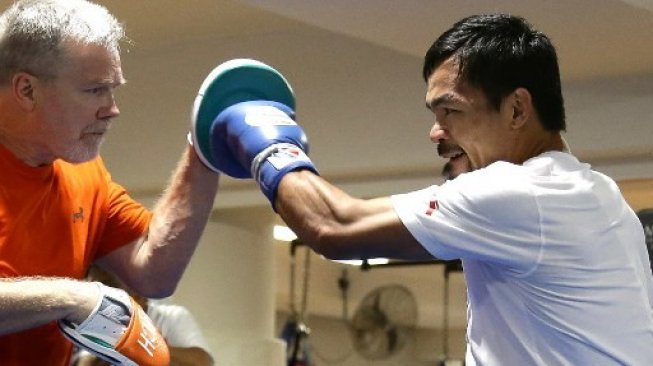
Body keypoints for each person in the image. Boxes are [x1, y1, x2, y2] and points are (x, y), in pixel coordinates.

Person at [202, 14, 653, 365]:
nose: (436, 133)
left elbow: (331, 225)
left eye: (450, 111)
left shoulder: (519, 192)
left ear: (517, 109)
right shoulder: (601, 194)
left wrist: (267, 144)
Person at [0, 0, 219, 364]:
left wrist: (206, 152)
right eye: (94, 91)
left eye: (112, 89)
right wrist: (76, 298)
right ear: (26, 90)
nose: (112, 108)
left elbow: (154, 272)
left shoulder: (84, 172)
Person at [72, 266, 215, 366]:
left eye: (110, 287)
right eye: (96, 291)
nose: (101, 299)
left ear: (138, 293)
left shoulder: (172, 316)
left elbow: (201, 363)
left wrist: (139, 346)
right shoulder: (97, 325)